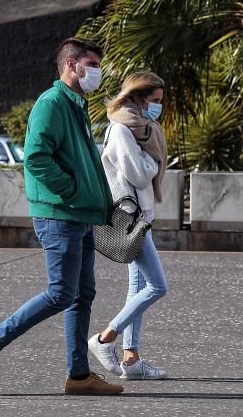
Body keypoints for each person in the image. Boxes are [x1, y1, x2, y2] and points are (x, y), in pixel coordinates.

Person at [0, 37, 124, 396]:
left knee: (82, 294)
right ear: (71, 65)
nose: (97, 72)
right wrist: (70, 191)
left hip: (79, 215)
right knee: (60, 293)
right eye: (92, 64)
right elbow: (36, 158)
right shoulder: (52, 103)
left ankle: (79, 375)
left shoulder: (76, 105)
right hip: (60, 215)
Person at [88, 70, 169, 380]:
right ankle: (104, 338)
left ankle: (131, 361)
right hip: (129, 219)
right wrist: (154, 162)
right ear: (137, 98)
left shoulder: (142, 130)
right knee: (158, 286)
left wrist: (149, 161)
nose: (158, 107)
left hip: (142, 218)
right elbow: (138, 173)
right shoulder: (121, 130)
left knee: (137, 287)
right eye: (155, 100)